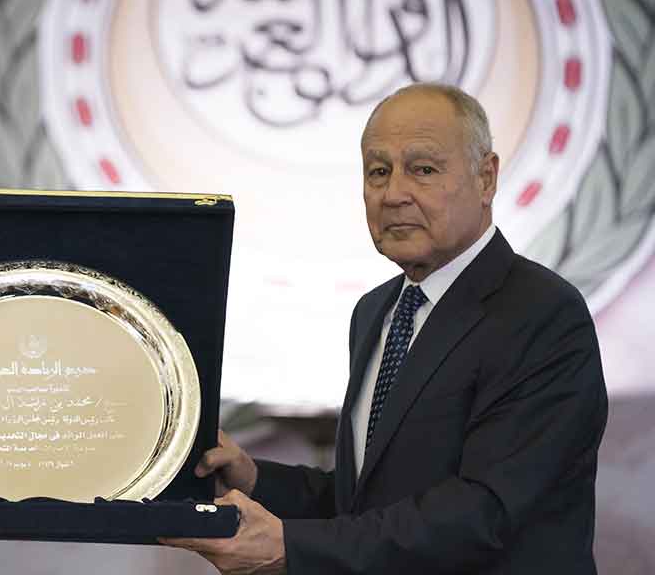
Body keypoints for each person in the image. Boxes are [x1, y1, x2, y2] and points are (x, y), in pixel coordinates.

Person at [163, 83, 608, 573]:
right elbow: (368, 502)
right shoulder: (376, 312)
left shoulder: (543, 313)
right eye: (378, 171)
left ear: (486, 178)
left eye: (423, 169)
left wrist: (292, 545)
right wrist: (253, 479)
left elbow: (484, 514)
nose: (395, 194)